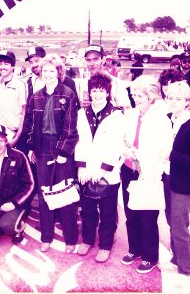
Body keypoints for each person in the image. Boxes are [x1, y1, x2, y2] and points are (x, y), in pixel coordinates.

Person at [25, 53, 79, 253]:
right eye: (45, 70)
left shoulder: (68, 94)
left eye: (52, 70)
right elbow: (30, 125)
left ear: (59, 72)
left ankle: (70, 239)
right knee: (44, 193)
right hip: (41, 148)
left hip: (61, 148)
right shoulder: (36, 96)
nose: (48, 74)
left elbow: (71, 126)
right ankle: (46, 236)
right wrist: (31, 147)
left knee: (64, 194)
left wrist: (64, 151)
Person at [120, 75, 173, 274]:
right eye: (134, 94)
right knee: (130, 213)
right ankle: (135, 249)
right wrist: (126, 151)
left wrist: (138, 155)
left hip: (147, 172)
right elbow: (122, 139)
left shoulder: (161, 119)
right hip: (128, 169)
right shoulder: (130, 115)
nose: (136, 98)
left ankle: (150, 255)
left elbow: (163, 149)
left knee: (147, 215)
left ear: (150, 96)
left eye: (140, 94)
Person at [75, 72, 125, 262]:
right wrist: (82, 168)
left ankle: (105, 245)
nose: (97, 94)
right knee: (87, 210)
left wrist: (102, 170)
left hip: (107, 173)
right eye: (94, 90)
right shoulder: (82, 113)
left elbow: (116, 145)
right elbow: (79, 142)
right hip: (87, 171)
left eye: (101, 91)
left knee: (107, 212)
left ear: (107, 92)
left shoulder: (116, 115)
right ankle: (87, 240)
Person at [158, 81, 190, 288]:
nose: (173, 102)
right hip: (168, 176)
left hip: (183, 182)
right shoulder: (169, 119)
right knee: (171, 219)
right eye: (170, 98)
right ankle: (176, 258)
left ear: (187, 102)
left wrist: (171, 155)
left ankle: (185, 268)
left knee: (179, 225)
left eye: (178, 99)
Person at [75, 44, 130, 110]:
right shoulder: (81, 84)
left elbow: (126, 109)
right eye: (88, 60)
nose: (92, 63)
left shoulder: (116, 83)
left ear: (103, 60)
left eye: (95, 59)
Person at [0, 50, 27, 147]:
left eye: (6, 64)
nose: (2, 67)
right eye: (0, 64)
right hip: (2, 133)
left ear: (13, 66)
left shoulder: (20, 84)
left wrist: (17, 137)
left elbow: (25, 112)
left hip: (17, 133)